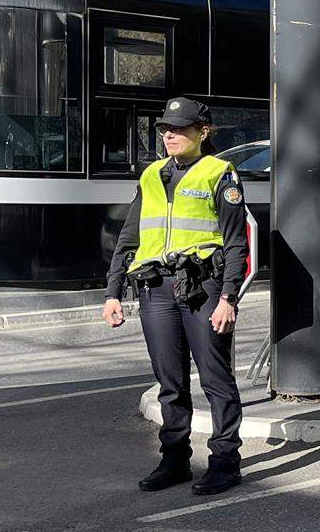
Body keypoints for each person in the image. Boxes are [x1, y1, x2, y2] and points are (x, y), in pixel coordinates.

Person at [101, 97, 248, 496]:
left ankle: (224, 462)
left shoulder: (220, 174)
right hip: (156, 291)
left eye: (180, 128)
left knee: (216, 381)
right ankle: (175, 459)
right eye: (166, 128)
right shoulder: (150, 175)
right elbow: (129, 238)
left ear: (203, 132)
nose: (170, 134)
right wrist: (113, 291)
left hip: (204, 289)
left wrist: (229, 298)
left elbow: (237, 244)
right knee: (170, 383)